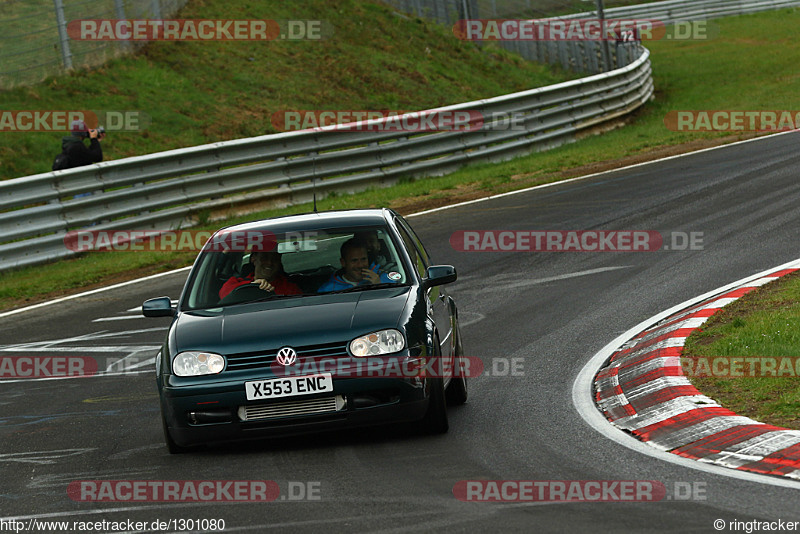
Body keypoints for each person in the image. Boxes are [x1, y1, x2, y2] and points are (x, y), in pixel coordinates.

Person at [318, 238, 397, 293]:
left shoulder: (383, 278)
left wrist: (380, 285)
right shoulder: (327, 290)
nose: (360, 265)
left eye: (363, 259)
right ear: (343, 262)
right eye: (354, 260)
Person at [219, 249, 302, 299]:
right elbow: (224, 296)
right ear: (253, 259)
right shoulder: (235, 282)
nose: (269, 263)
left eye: (275, 259)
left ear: (279, 262)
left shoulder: (289, 288)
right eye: (264, 258)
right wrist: (251, 286)